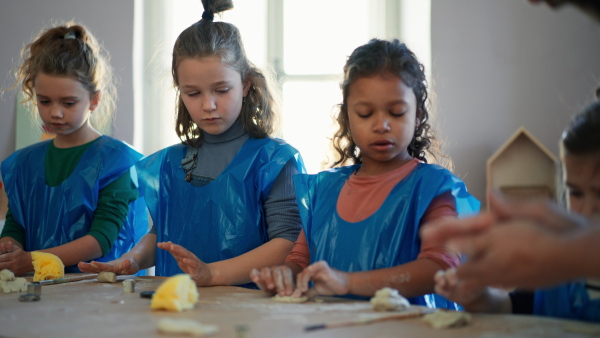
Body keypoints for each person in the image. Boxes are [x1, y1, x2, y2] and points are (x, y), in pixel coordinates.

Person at [78, 0, 305, 288]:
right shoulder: (171, 163)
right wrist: (132, 260)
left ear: (246, 84)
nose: (208, 105)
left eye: (221, 90)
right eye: (193, 93)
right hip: (179, 310)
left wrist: (212, 274)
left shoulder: (274, 161)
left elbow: (287, 245)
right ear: (179, 91)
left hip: (249, 313)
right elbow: (161, 235)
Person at [250, 39, 479, 308]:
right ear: (347, 119)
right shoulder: (324, 190)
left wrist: (348, 282)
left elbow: (439, 268)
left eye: (396, 112)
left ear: (417, 116)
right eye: (365, 113)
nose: (381, 125)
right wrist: (284, 275)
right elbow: (300, 262)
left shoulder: (434, 188)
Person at [430, 101, 600, 322]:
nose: (587, 210)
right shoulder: (551, 266)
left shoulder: (561, 252)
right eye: (576, 193)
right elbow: (517, 308)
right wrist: (483, 299)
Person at [0, 23, 148, 276]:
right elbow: (16, 226)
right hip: (37, 290)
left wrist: (33, 261)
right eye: (44, 101)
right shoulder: (23, 163)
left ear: (94, 100)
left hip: (98, 292)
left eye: (68, 103)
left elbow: (101, 239)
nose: (55, 112)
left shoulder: (117, 161)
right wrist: (9, 249)